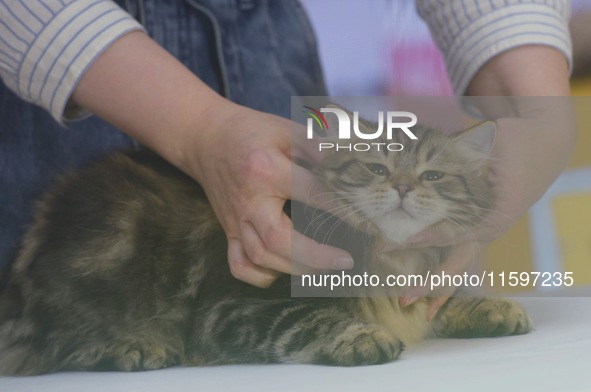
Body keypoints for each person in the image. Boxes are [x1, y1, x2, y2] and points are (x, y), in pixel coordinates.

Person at [0, 0, 575, 315]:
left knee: (318, 333)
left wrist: (544, 119)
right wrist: (200, 127)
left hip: (265, 64)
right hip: (48, 91)